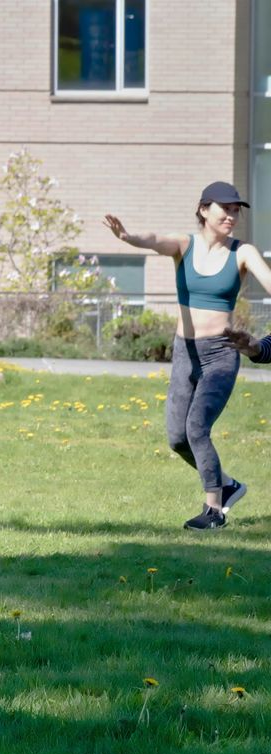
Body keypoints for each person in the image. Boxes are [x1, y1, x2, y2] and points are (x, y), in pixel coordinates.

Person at [105, 181, 271, 529]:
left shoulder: (243, 252)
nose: (232, 215)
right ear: (203, 209)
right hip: (185, 351)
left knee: (197, 428)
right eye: (225, 208)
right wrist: (128, 237)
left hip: (221, 354)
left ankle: (214, 511)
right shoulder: (185, 245)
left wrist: (259, 345)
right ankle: (228, 486)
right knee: (177, 439)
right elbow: (155, 240)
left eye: (236, 210)